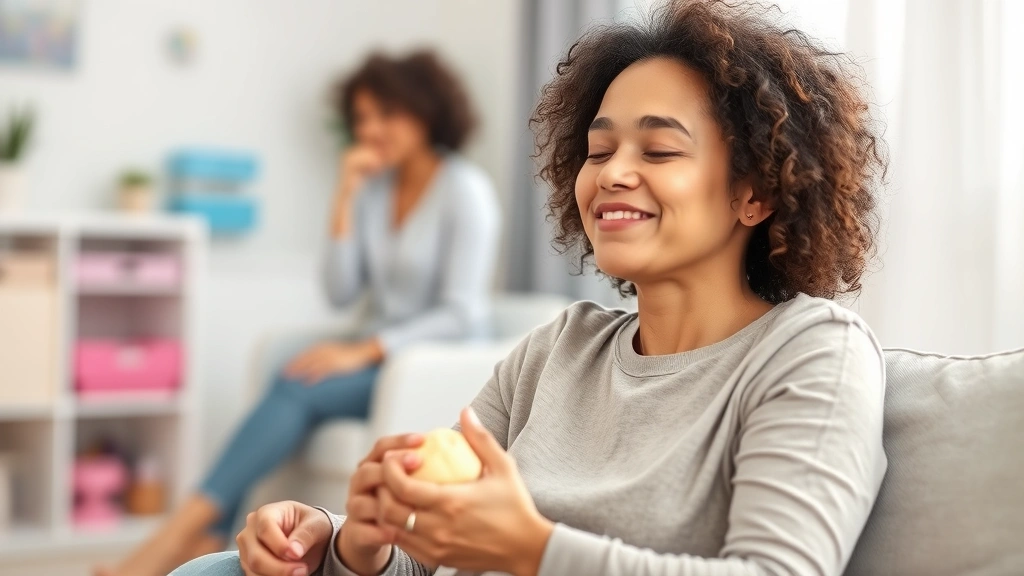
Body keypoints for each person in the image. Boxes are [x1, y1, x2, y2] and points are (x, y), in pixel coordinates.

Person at [173, 0, 890, 574]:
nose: (611, 173)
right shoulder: (559, 349)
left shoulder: (811, 355)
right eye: (599, 149)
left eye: (660, 149)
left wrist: (535, 550)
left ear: (757, 193)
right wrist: (350, 540)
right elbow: (430, 548)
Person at [100, 50, 501, 576]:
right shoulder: (375, 190)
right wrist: (345, 193)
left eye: (385, 113)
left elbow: (462, 312)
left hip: (430, 359)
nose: (370, 129)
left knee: (297, 384)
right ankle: (204, 535)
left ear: (424, 111)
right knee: (289, 373)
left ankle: (172, 539)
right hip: (376, 359)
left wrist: (363, 349)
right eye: (361, 119)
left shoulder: (464, 190)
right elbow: (340, 292)